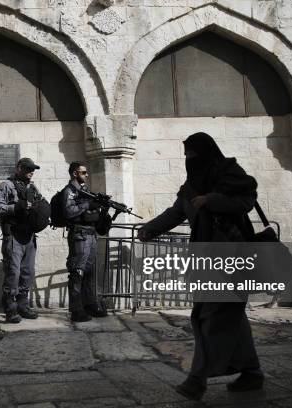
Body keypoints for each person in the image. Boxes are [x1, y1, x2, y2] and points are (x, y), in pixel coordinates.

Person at [137, 132, 263, 401]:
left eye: (193, 154)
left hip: (232, 257)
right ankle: (252, 371)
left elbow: (246, 199)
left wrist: (212, 200)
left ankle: (198, 378)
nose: (189, 159)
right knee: (228, 317)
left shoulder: (229, 171)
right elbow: (177, 211)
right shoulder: (191, 184)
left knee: (212, 317)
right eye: (186, 155)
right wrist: (151, 228)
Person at [0, 158, 43, 323]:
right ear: (19, 168)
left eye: (33, 169)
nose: (31, 172)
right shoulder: (6, 185)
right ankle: (10, 309)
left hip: (29, 236)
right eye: (28, 169)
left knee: (27, 273)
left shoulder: (32, 187)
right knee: (13, 273)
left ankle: (23, 305)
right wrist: (16, 207)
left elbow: (40, 203)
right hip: (13, 236)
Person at [61, 162, 110, 322]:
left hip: (91, 234)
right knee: (77, 272)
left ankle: (90, 305)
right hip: (79, 236)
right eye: (83, 172)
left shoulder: (85, 191)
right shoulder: (70, 191)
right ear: (75, 173)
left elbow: (91, 211)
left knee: (90, 271)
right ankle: (76, 309)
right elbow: (68, 212)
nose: (86, 175)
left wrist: (101, 207)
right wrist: (88, 204)